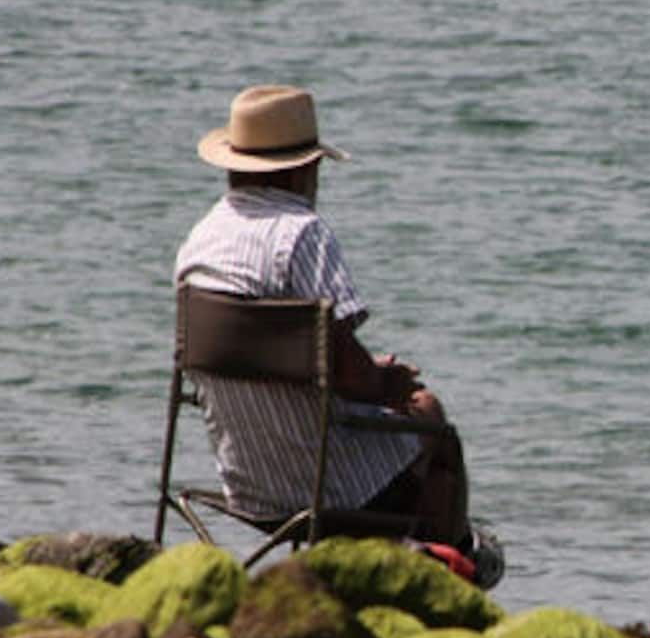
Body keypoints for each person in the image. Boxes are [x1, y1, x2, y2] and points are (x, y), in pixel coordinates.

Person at [174, 84, 502, 588]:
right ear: (306, 167)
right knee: (431, 419)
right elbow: (349, 374)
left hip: (247, 481)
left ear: (232, 163)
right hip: (326, 485)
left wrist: (360, 374)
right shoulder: (302, 234)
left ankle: (422, 559)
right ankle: (446, 574)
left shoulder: (201, 239)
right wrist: (389, 383)